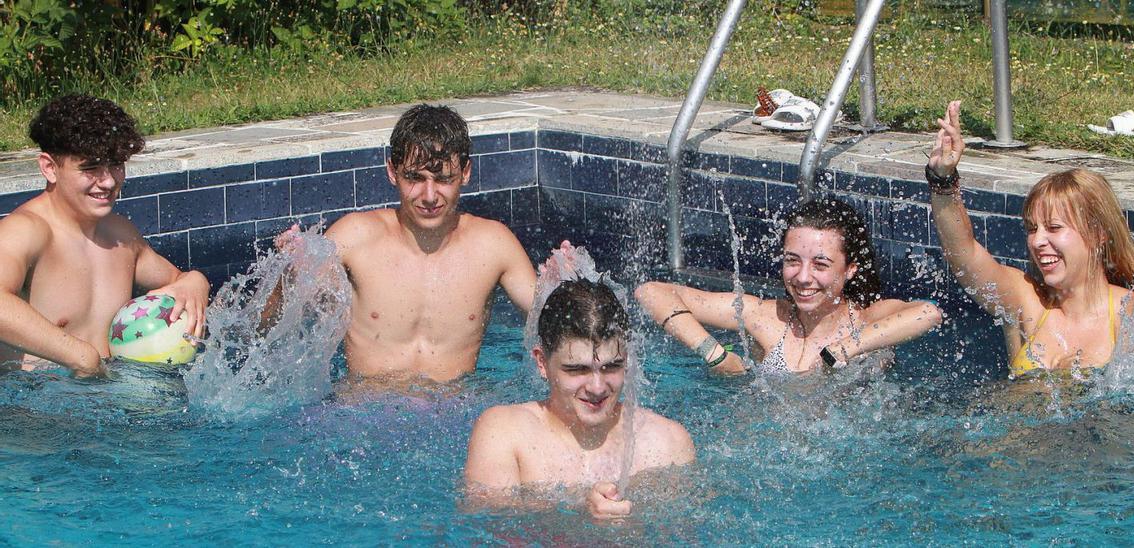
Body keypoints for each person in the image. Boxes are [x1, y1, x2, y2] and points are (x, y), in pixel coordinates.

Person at [275, 104, 553, 383]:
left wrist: (560, 289)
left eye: (443, 179)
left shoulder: (493, 245)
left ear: (465, 173)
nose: (429, 195)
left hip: (455, 411)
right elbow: (269, 327)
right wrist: (287, 277)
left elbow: (558, 327)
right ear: (392, 172)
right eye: (414, 178)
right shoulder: (355, 237)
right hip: (364, 412)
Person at [926, 100, 1134, 379]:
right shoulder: (1027, 303)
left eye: (1054, 228)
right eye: (1033, 229)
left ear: (1098, 234)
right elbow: (964, 253)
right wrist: (942, 181)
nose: (1038, 241)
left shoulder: (1132, 312)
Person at [0, 95, 210, 377]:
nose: (109, 181)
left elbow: (177, 281)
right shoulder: (26, 231)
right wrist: (81, 356)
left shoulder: (120, 236)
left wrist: (196, 281)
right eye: (90, 168)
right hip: (35, 411)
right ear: (50, 168)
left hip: (109, 398)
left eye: (116, 165)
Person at [463, 279, 695, 519]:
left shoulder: (667, 444)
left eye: (611, 367)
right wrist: (578, 514)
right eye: (577, 370)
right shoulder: (505, 433)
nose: (597, 387)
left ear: (627, 359)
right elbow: (486, 529)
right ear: (542, 362)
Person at [635, 198, 942, 375]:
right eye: (792, 260)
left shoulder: (866, 321)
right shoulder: (767, 318)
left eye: (820, 265)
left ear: (850, 270)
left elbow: (927, 313)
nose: (803, 277)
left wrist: (842, 349)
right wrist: (716, 355)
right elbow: (652, 292)